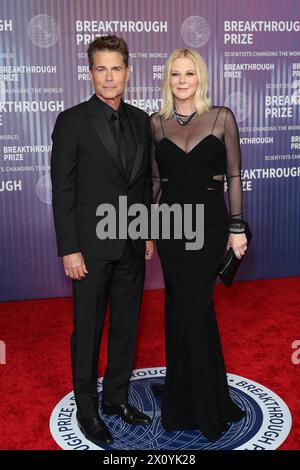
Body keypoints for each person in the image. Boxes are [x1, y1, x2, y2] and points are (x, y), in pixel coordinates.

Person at [51, 35, 154, 446]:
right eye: (101, 68)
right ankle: (87, 408)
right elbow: (63, 191)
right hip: (89, 250)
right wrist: (69, 248)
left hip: (131, 244)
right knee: (89, 329)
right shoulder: (72, 121)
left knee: (126, 327)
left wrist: (146, 229)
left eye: (116, 68)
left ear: (128, 72)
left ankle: (116, 399)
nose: (109, 77)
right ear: (90, 72)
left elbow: (144, 182)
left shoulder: (142, 120)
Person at [150, 48, 248, 442]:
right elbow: (155, 183)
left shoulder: (222, 117)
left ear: (200, 78)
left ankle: (207, 403)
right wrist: (144, 227)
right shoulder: (156, 124)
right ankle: (182, 396)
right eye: (175, 74)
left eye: (189, 73)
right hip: (171, 224)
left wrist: (237, 227)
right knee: (178, 309)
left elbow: (235, 175)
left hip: (209, 224)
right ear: (168, 80)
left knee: (196, 307)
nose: (182, 81)